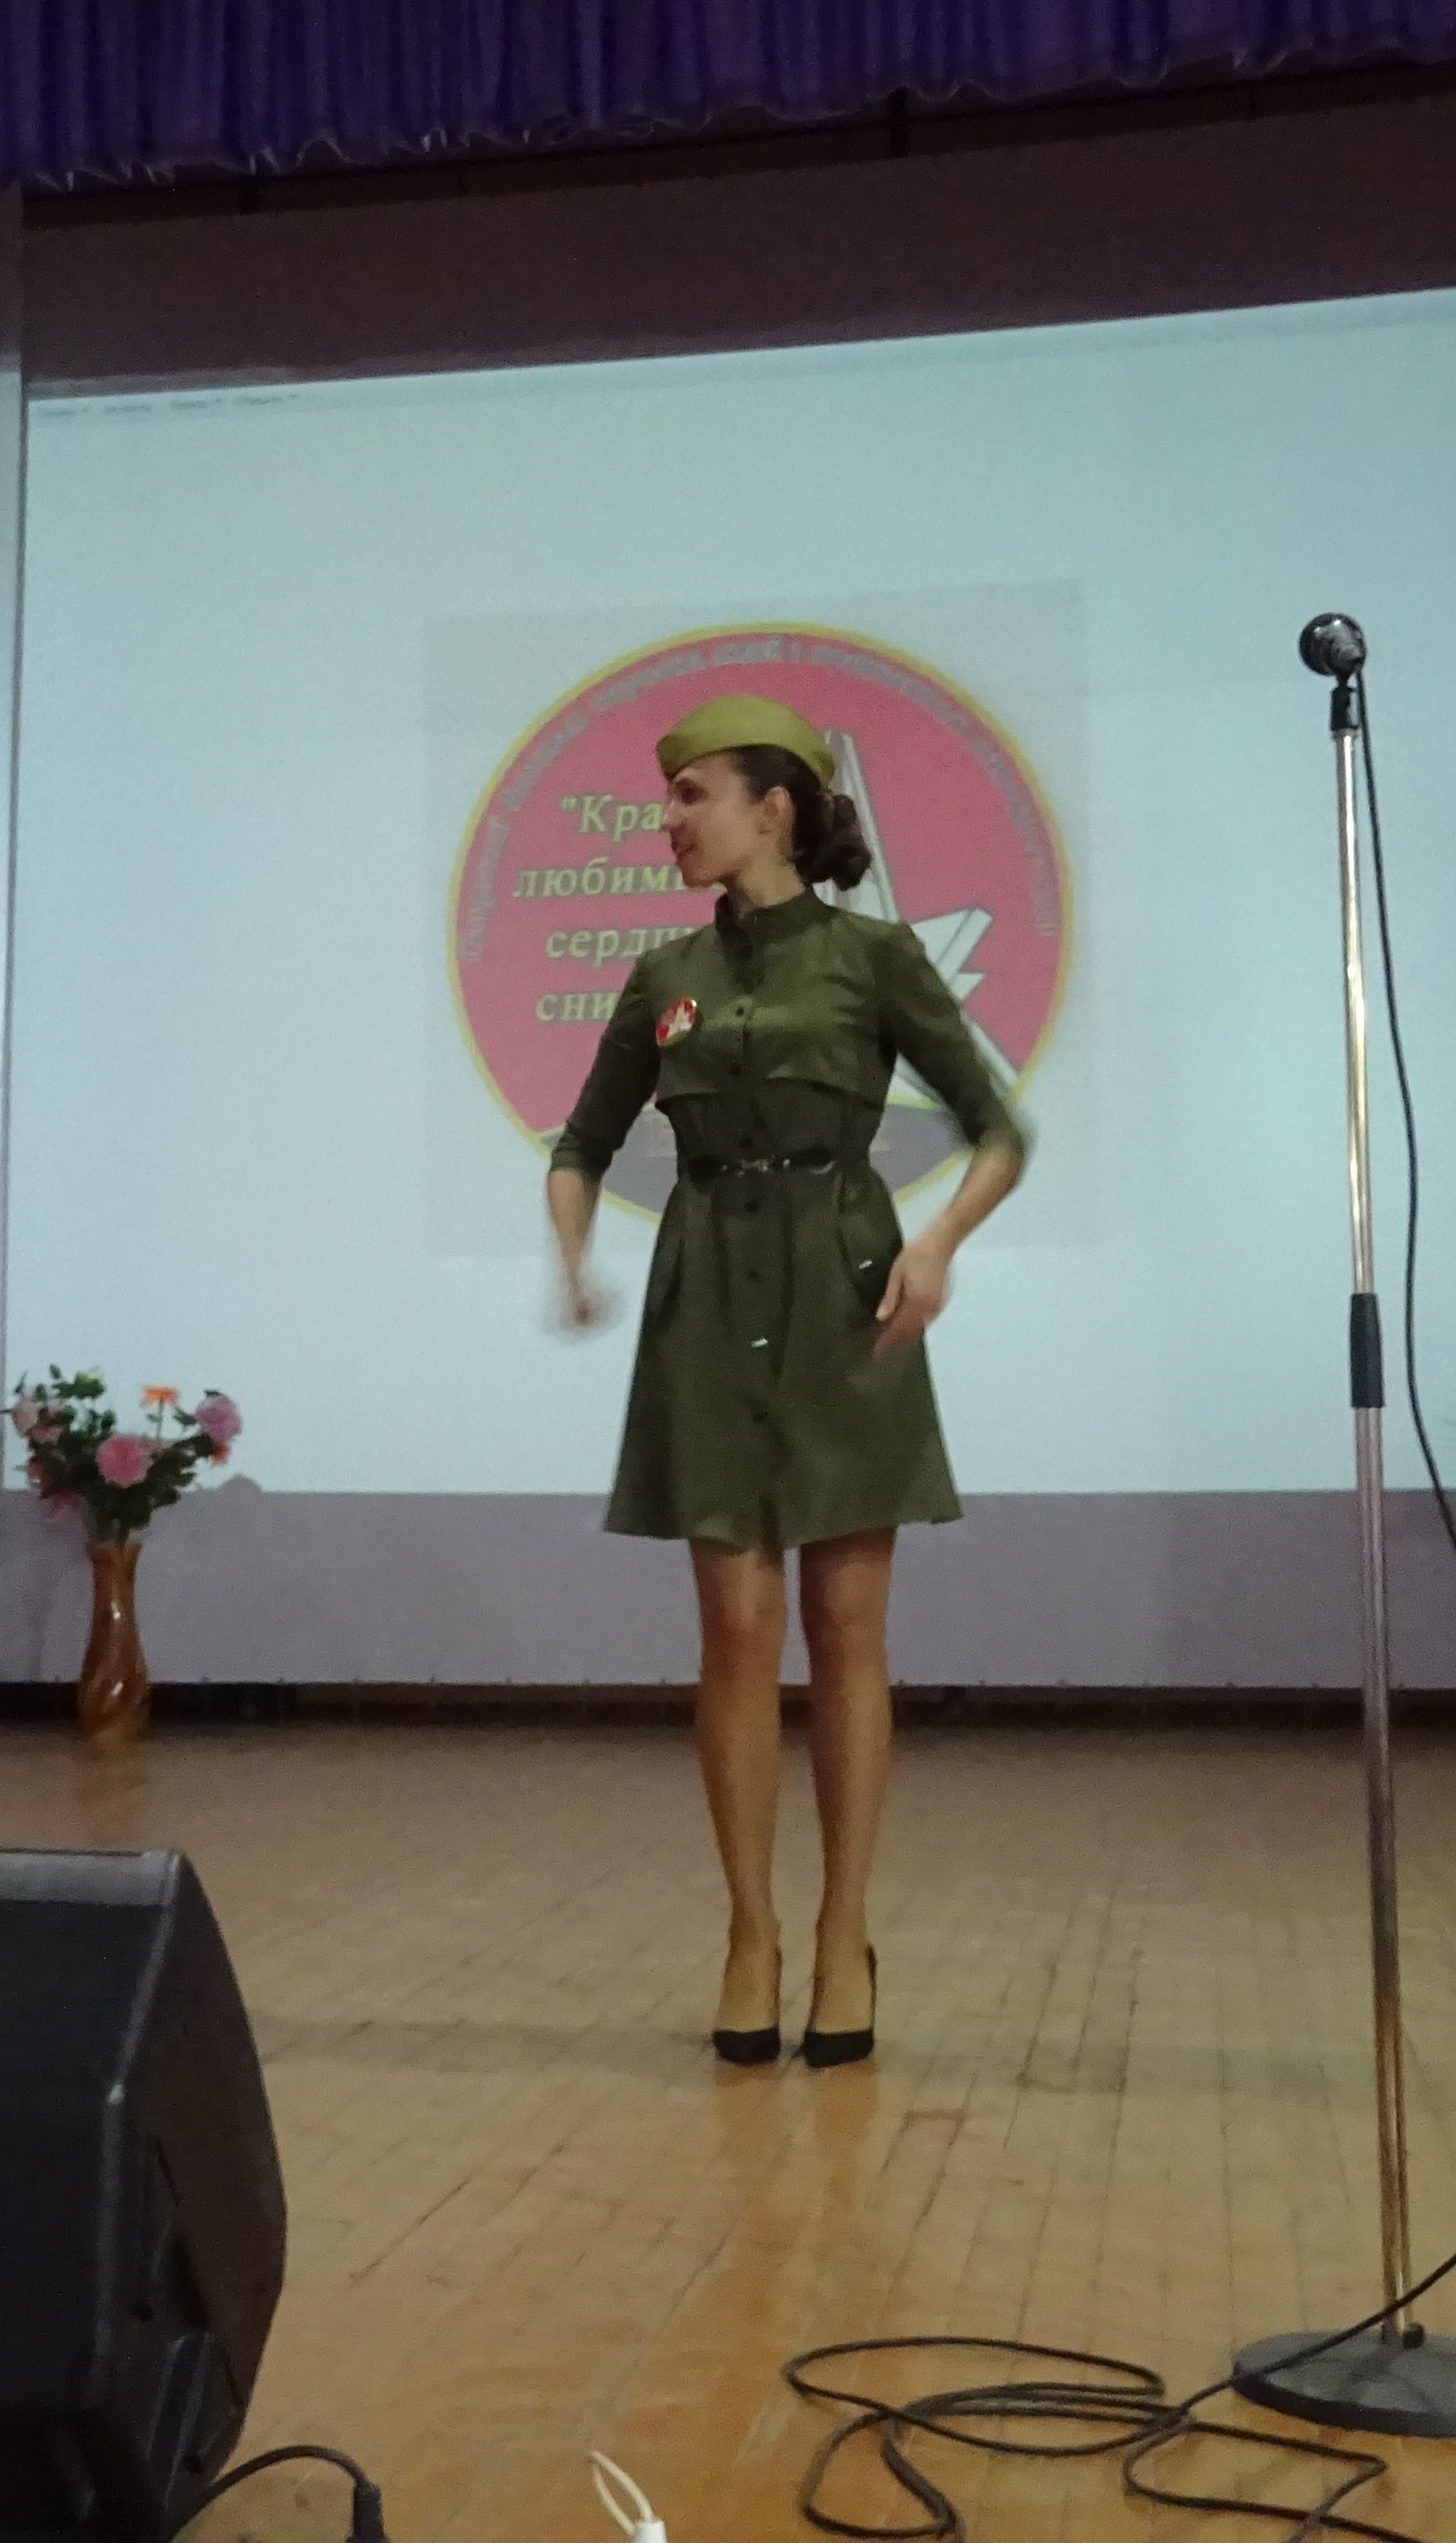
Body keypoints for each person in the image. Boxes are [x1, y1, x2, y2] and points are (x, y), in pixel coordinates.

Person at [546, 694, 1026, 2069]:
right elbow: (580, 1143)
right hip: (706, 1297)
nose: (667, 819)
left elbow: (997, 1129)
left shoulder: (875, 957)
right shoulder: (664, 972)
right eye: (666, 796)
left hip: (843, 1290)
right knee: (736, 1629)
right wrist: (575, 1257)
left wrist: (936, 1243)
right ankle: (750, 1933)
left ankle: (845, 1932)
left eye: (691, 793)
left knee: (848, 1626)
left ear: (774, 810)